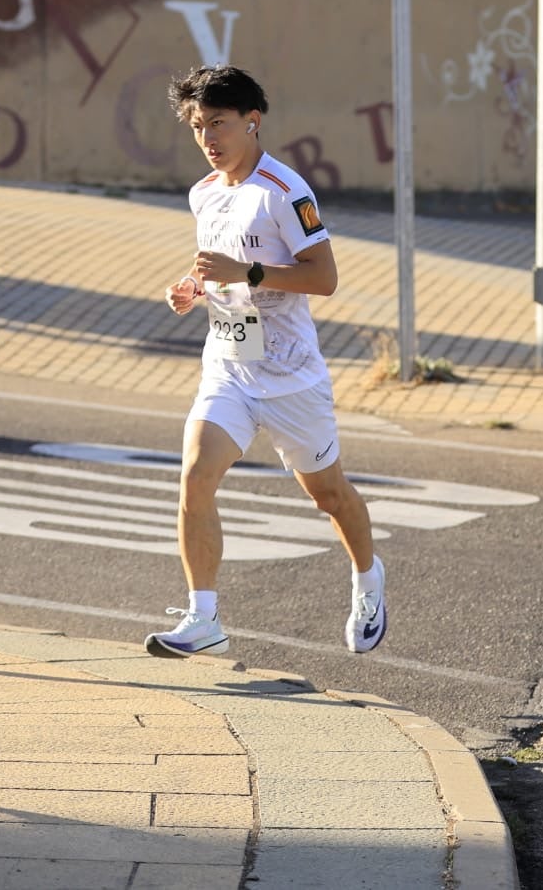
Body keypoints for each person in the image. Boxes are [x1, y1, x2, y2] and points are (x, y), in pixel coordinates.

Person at [151, 65, 387, 660]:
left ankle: (368, 578)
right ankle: (203, 617)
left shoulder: (286, 191)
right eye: (198, 126)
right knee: (195, 477)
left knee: (329, 496)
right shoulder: (204, 193)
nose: (208, 138)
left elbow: (324, 278)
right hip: (230, 366)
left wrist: (248, 272)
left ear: (252, 122)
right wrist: (193, 288)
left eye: (219, 124)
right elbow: (217, 266)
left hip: (291, 377)